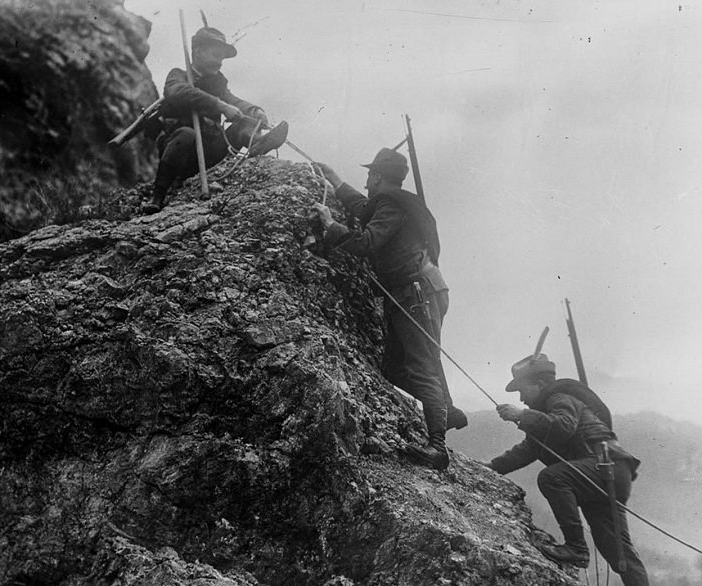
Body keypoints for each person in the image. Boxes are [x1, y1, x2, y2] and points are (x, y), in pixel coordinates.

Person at [311, 148, 467, 471]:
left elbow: (368, 242)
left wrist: (331, 226)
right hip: (415, 291)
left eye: (369, 176)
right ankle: (444, 408)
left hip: (416, 292)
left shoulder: (390, 205)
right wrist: (336, 180)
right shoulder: (392, 203)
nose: (366, 182)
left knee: (422, 366)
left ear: (379, 177)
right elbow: (363, 207)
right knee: (395, 369)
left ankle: (438, 446)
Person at [487, 352, 655, 586]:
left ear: (540, 385)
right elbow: (528, 450)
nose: (521, 398)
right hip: (607, 473)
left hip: (604, 468)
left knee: (552, 478)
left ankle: (576, 547)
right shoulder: (546, 411)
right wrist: (489, 469)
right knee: (616, 549)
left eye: (522, 390)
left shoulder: (559, 398)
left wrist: (522, 416)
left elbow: (564, 425)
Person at [142, 27, 288, 214]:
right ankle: (158, 195)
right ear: (198, 51)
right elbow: (176, 92)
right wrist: (220, 106)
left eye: (222, 58)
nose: (219, 62)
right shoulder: (178, 75)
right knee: (186, 134)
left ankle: (258, 143)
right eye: (215, 55)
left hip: (212, 152)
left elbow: (233, 101)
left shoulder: (218, 82)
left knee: (245, 122)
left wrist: (254, 110)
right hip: (183, 156)